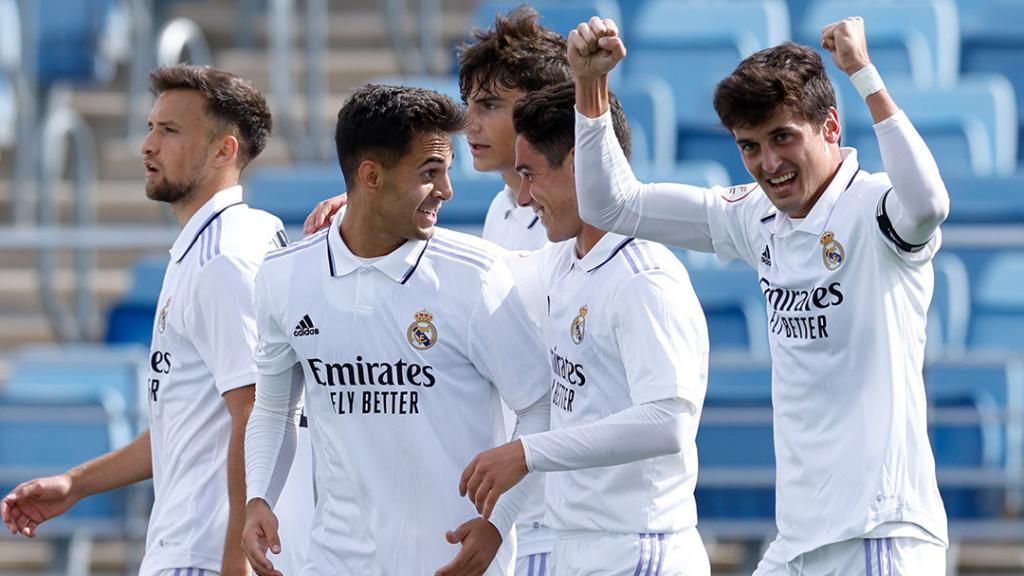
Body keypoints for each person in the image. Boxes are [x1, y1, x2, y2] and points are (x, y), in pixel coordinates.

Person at [568, 15, 949, 575]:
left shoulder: (874, 209)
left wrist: (863, 73)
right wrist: (589, 85)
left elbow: (930, 204)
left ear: (830, 126)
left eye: (783, 137)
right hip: (797, 540)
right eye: (750, 146)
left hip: (881, 536)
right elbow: (610, 207)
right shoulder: (753, 216)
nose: (769, 164)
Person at [0, 64, 311, 576]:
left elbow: (256, 412)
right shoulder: (226, 241)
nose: (147, 145)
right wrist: (76, 484)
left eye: (169, 131)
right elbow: (188, 423)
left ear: (223, 151)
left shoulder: (221, 258)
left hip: (204, 557)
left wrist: (236, 562)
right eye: (150, 127)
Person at [299, 8, 572, 573]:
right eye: (469, 103)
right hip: (525, 510)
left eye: (491, 105)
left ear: (545, 110)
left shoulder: (581, 215)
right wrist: (366, 219)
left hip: (577, 516)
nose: (470, 123)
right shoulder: (502, 210)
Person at [241, 84, 551, 576]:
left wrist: (499, 523)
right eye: (431, 173)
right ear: (371, 176)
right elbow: (276, 406)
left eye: (447, 172)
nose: (447, 191)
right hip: (336, 562)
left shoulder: (476, 276)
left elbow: (540, 408)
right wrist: (259, 496)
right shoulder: (283, 277)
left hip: (455, 562)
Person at [460, 81, 711, 576]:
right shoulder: (564, 262)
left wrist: (527, 452)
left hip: (641, 550)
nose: (525, 197)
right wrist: (374, 221)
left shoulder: (644, 279)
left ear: (579, 165)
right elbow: (474, 273)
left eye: (531, 175)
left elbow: (668, 422)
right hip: (577, 547)